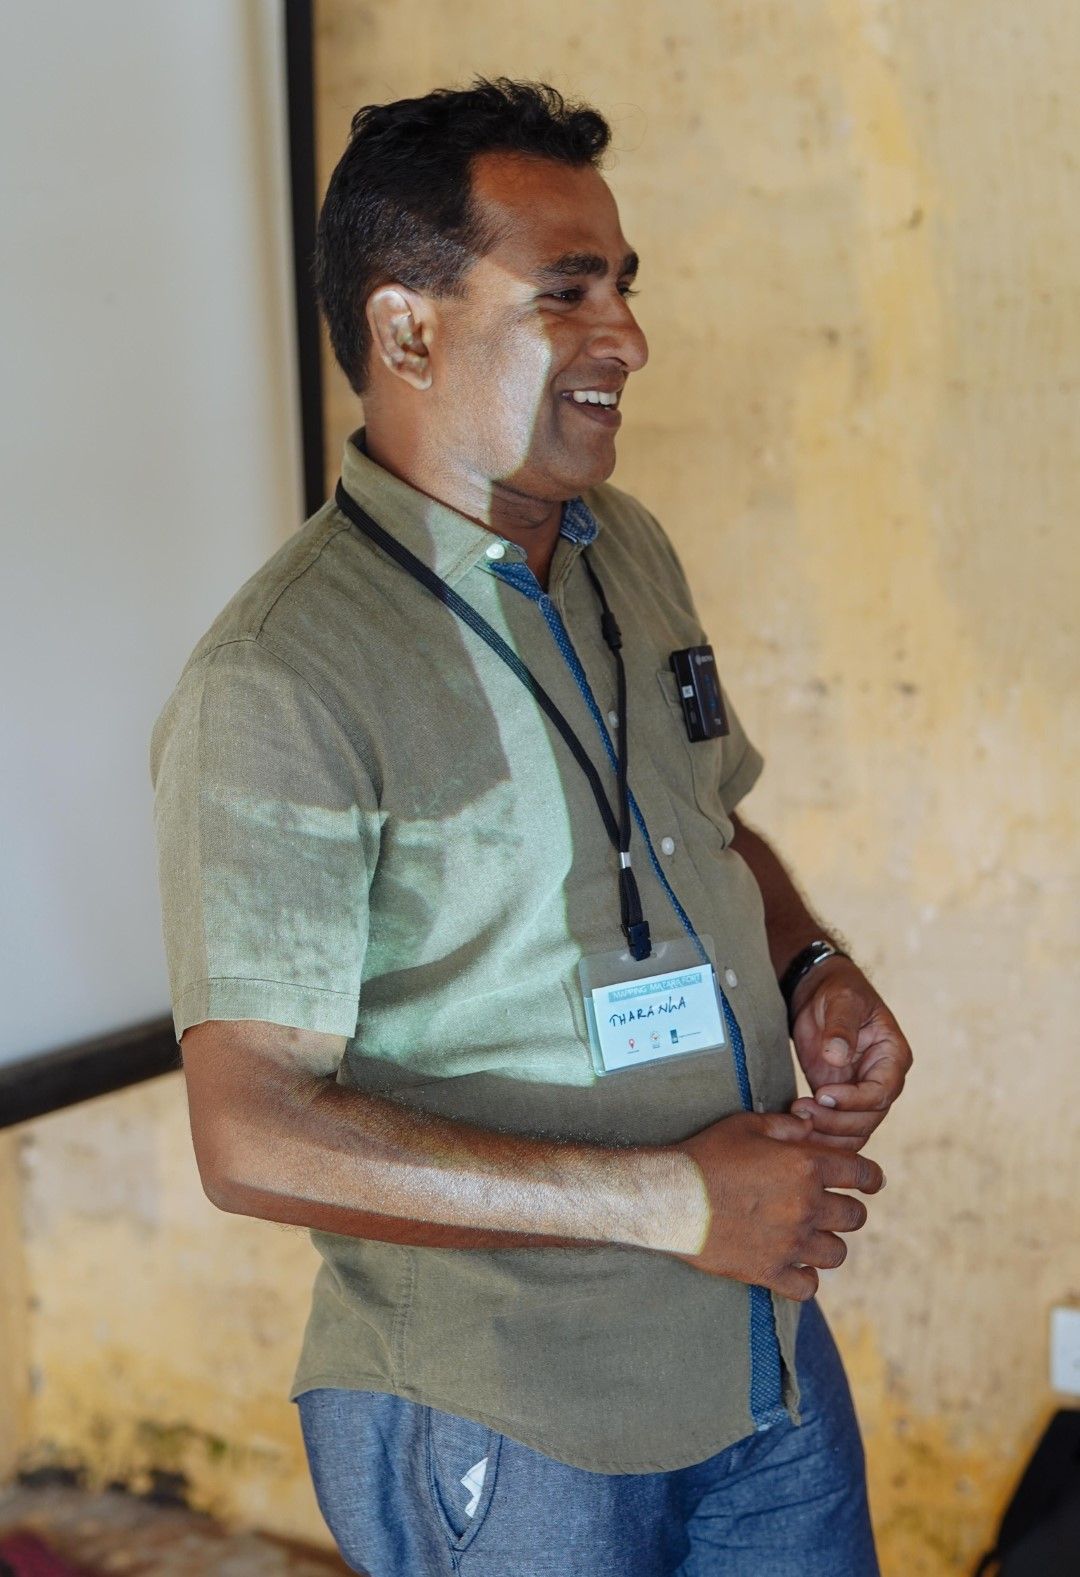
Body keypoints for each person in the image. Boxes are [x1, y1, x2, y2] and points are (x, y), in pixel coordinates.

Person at [151, 78, 912, 1577]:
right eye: (568, 292)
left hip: (753, 1350)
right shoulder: (281, 677)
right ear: (408, 331)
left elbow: (702, 824)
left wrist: (812, 962)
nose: (628, 336)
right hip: (504, 1423)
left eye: (623, 285)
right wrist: (669, 1200)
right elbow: (250, 1131)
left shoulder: (626, 552)